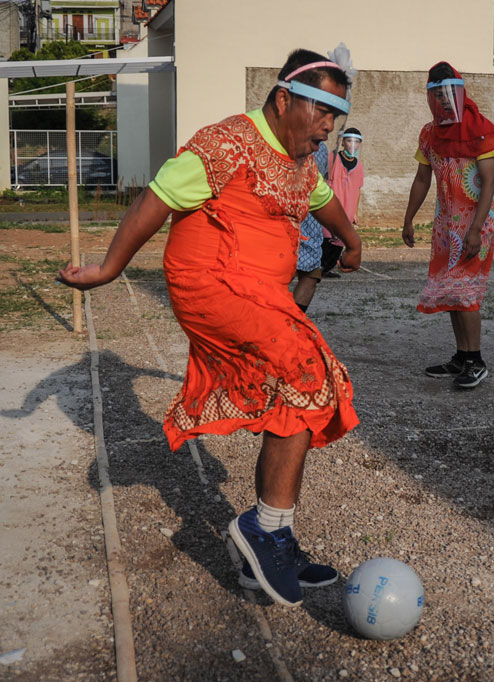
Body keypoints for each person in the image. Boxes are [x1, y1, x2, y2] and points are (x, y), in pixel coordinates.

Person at [57, 46, 362, 607]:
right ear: (284, 97)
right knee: (303, 367)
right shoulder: (224, 144)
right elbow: (156, 199)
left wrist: (354, 238)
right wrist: (108, 269)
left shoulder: (303, 161)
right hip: (210, 280)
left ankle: (270, 540)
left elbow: (324, 203)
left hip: (263, 293)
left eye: (336, 115)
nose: (328, 126)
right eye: (321, 109)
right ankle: (263, 530)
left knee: (311, 385)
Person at [401, 61, 494, 389]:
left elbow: (487, 184)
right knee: (449, 290)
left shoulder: (482, 130)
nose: (444, 101)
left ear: (460, 93)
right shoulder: (429, 134)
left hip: (476, 223)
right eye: (437, 94)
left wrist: (474, 230)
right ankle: (462, 355)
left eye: (449, 93)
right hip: (446, 224)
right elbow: (421, 178)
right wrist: (408, 218)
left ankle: (476, 360)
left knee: (465, 291)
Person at [293, 140, 333, 309]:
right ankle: (289, 324)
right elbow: (319, 190)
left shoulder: (320, 148)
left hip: (305, 222)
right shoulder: (319, 148)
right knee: (309, 275)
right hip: (305, 219)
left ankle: (287, 324)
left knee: (309, 274)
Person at [321, 127, 364, 279]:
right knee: (326, 236)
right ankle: (318, 267)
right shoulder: (333, 159)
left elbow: (357, 189)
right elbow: (324, 180)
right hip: (330, 204)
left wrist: (355, 212)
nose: (353, 144)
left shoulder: (358, 166)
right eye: (349, 141)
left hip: (348, 207)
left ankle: (327, 268)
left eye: (356, 142)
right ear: (343, 142)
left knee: (340, 240)